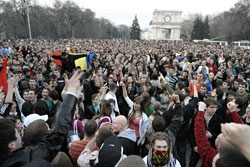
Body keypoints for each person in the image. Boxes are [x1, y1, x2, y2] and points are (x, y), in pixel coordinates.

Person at [0, 69, 83, 166]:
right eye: (17, 133)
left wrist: (10, 87)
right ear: (11, 145)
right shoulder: (32, 160)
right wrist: (72, 94)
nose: (20, 133)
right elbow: (58, 134)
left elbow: (5, 111)